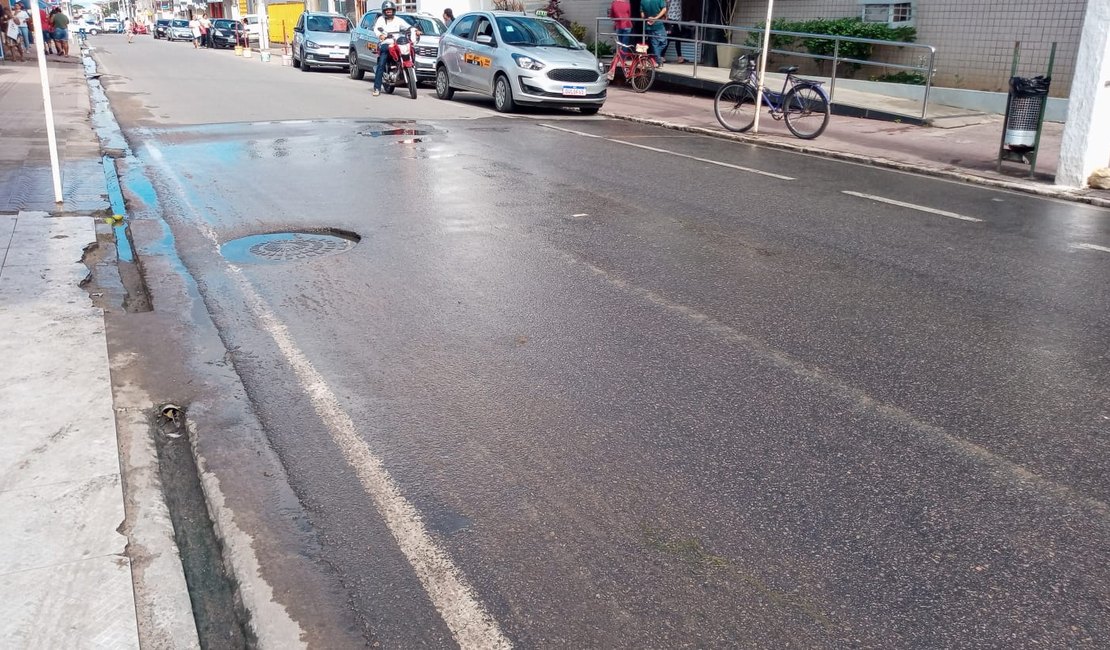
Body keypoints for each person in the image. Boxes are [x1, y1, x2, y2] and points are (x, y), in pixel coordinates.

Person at [371, 1, 416, 97]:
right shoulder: (381, 20)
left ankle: (409, 68)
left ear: (393, 10)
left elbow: (408, 27)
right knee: (381, 63)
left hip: (398, 43)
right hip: (387, 43)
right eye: (387, 10)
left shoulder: (398, 20)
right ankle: (377, 88)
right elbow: (376, 29)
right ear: (384, 11)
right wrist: (381, 35)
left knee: (411, 49)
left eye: (390, 10)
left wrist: (415, 30)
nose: (389, 12)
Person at [639, 0, 667, 66]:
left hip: (648, 25)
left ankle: (656, 58)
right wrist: (655, 18)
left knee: (654, 43)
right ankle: (657, 59)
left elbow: (642, 15)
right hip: (658, 25)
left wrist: (647, 19)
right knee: (664, 43)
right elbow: (664, 9)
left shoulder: (643, 1)